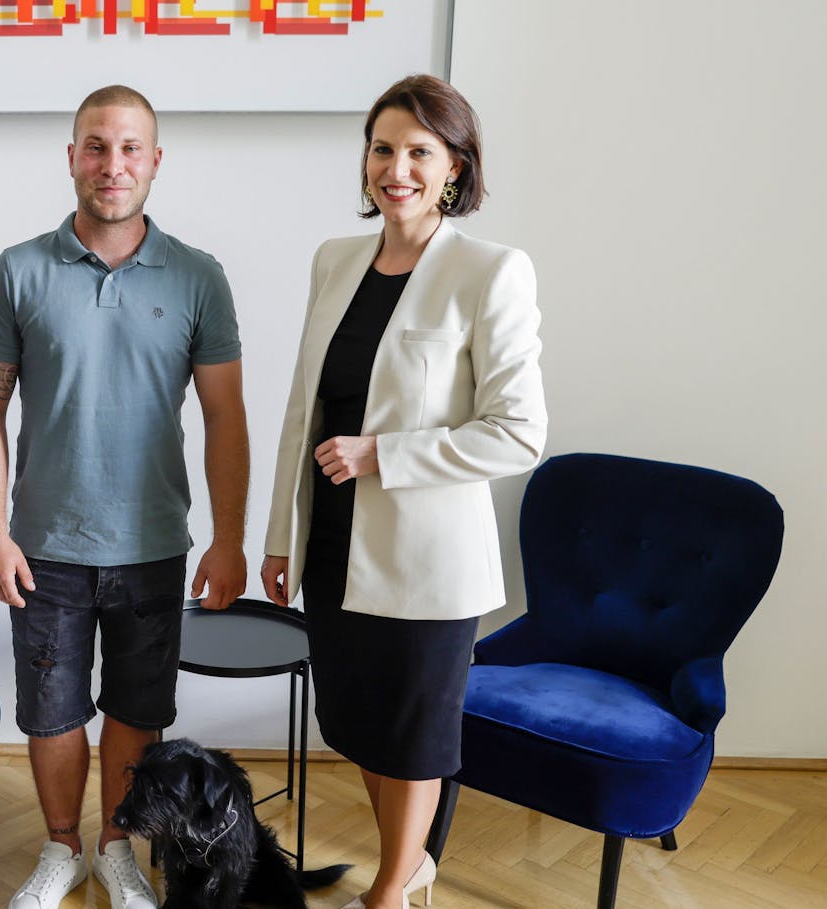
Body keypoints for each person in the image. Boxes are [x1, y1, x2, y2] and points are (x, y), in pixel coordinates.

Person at [261, 74, 547, 909]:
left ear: (455, 167)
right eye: (383, 148)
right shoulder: (335, 259)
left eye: (420, 151)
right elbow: (301, 409)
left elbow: (519, 430)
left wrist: (386, 453)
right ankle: (411, 865)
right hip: (331, 540)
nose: (397, 168)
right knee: (359, 725)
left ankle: (391, 891)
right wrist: (281, 533)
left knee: (414, 735)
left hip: (427, 559)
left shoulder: (491, 272)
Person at [0, 85, 250, 909]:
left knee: (137, 704)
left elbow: (225, 417)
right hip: (44, 543)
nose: (112, 164)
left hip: (156, 539)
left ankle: (116, 847)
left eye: (130, 148)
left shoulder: (200, 277)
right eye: (96, 146)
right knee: (51, 711)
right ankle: (61, 849)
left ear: (155, 161)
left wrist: (228, 537)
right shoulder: (18, 271)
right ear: (72, 157)